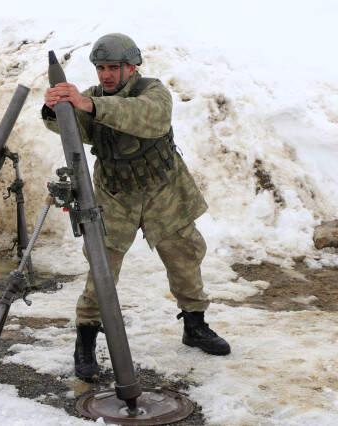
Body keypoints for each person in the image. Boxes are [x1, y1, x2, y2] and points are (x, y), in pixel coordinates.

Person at [42, 33, 231, 381]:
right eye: (100, 68)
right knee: (102, 265)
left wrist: (89, 105)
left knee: (185, 256)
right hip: (115, 194)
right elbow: (74, 127)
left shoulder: (153, 91)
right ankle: (85, 339)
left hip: (165, 191)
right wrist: (55, 108)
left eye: (113, 67)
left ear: (132, 66)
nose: (106, 75)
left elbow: (150, 117)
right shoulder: (92, 97)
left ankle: (195, 325)